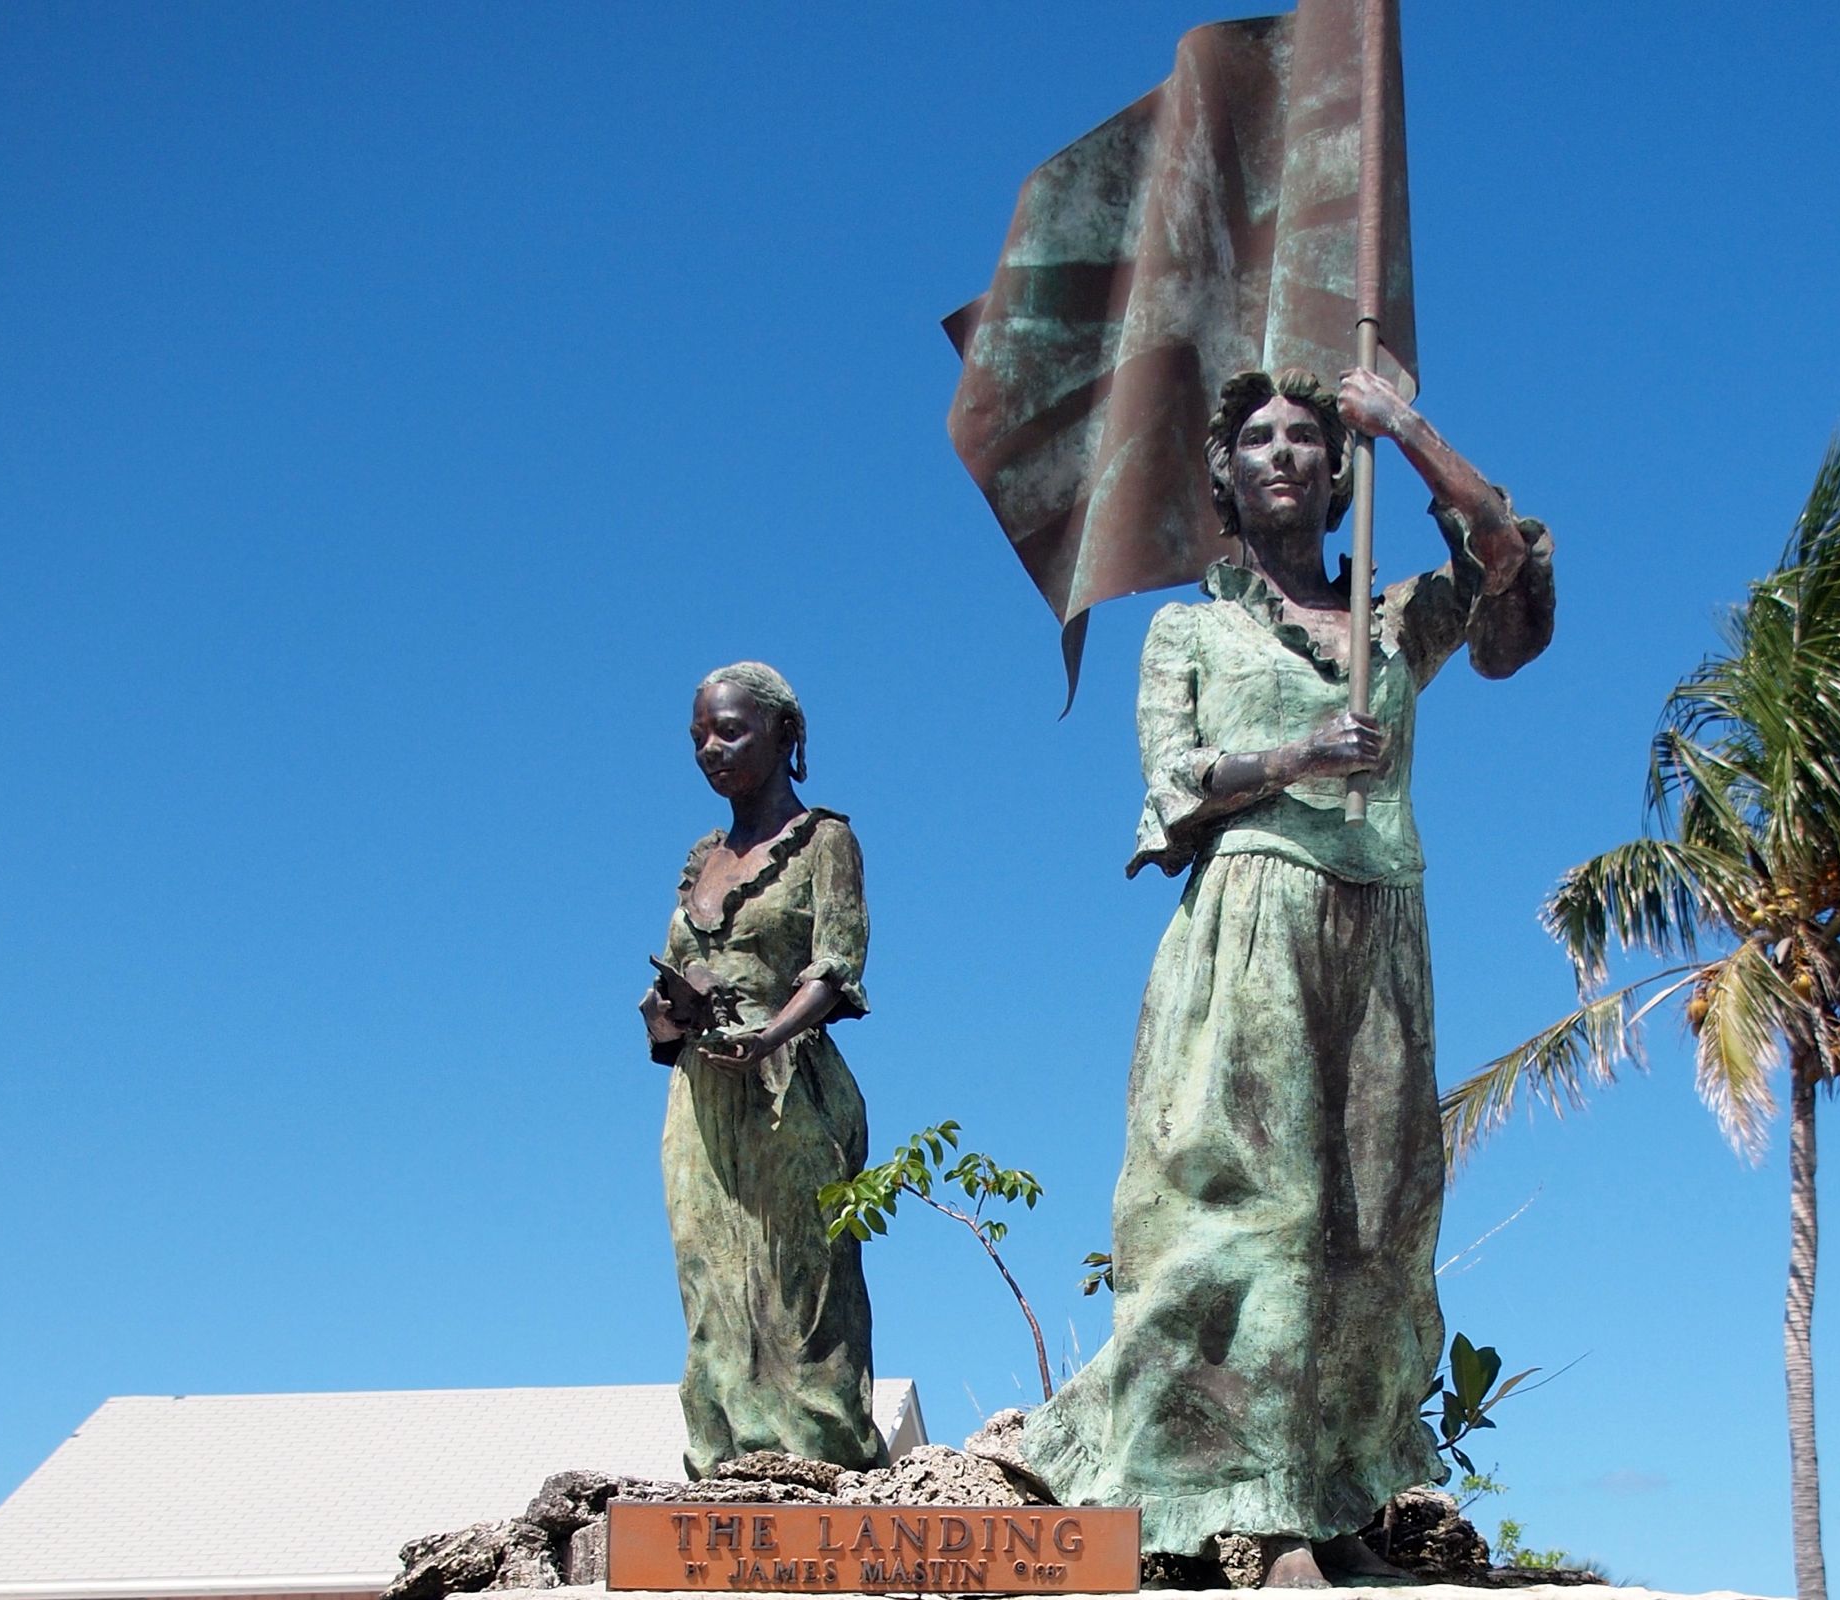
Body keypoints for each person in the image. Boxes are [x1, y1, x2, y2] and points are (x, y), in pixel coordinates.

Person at [1017, 366, 1556, 1586]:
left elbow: (1510, 573)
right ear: (1225, 476)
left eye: (1307, 438)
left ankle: (1330, 1491)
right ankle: (1228, 1507)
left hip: (1381, 924)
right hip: (1252, 918)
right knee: (1254, 1212)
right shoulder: (1188, 628)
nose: (1281, 455)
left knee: (1376, 1220)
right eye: (1256, 439)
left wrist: (1409, 426)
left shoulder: (1397, 619)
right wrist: (1298, 752)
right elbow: (1174, 783)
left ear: (1337, 469)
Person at [638, 661, 886, 1476]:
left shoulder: (825, 841)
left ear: (784, 733)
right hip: (702, 1096)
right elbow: (676, 963)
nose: (711, 749)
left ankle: (822, 1460)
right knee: (709, 1278)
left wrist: (770, 1034)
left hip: (791, 1087)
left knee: (799, 1280)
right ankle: (725, 1464)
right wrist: (663, 1010)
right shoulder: (700, 857)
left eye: (730, 730)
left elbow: (836, 967)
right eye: (699, 735)